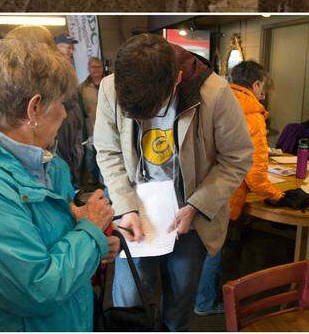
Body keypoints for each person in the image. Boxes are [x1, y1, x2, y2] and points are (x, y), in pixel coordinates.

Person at [0, 36, 120, 331]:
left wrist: (93, 245)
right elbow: (36, 289)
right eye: (62, 103)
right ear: (34, 109)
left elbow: (47, 244)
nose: (64, 112)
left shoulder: (49, 165)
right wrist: (90, 231)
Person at [95, 33, 253, 331]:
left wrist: (197, 204)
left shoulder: (215, 94)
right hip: (136, 213)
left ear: (177, 79)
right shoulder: (110, 87)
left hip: (191, 217)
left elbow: (238, 157)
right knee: (128, 304)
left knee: (179, 305)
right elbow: (108, 151)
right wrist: (125, 207)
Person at [194, 60, 283, 316]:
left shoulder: (214, 100)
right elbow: (255, 173)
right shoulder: (252, 115)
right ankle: (204, 302)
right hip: (227, 190)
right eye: (263, 87)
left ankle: (198, 295)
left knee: (202, 246)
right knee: (214, 249)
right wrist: (276, 194)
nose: (263, 94)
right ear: (255, 84)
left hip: (202, 185)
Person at [53, 34, 87, 186]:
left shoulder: (69, 69)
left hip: (72, 123)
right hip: (61, 124)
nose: (71, 51)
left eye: (72, 48)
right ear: (57, 47)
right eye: (68, 47)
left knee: (75, 156)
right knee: (64, 159)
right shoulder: (53, 70)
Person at [78, 56, 106, 185]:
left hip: (108, 130)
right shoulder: (82, 88)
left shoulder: (110, 84)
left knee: (106, 158)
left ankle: (105, 182)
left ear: (102, 68)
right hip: (91, 130)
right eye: (93, 67)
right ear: (89, 69)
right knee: (91, 159)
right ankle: (94, 182)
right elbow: (81, 112)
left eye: (98, 67)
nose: (95, 70)